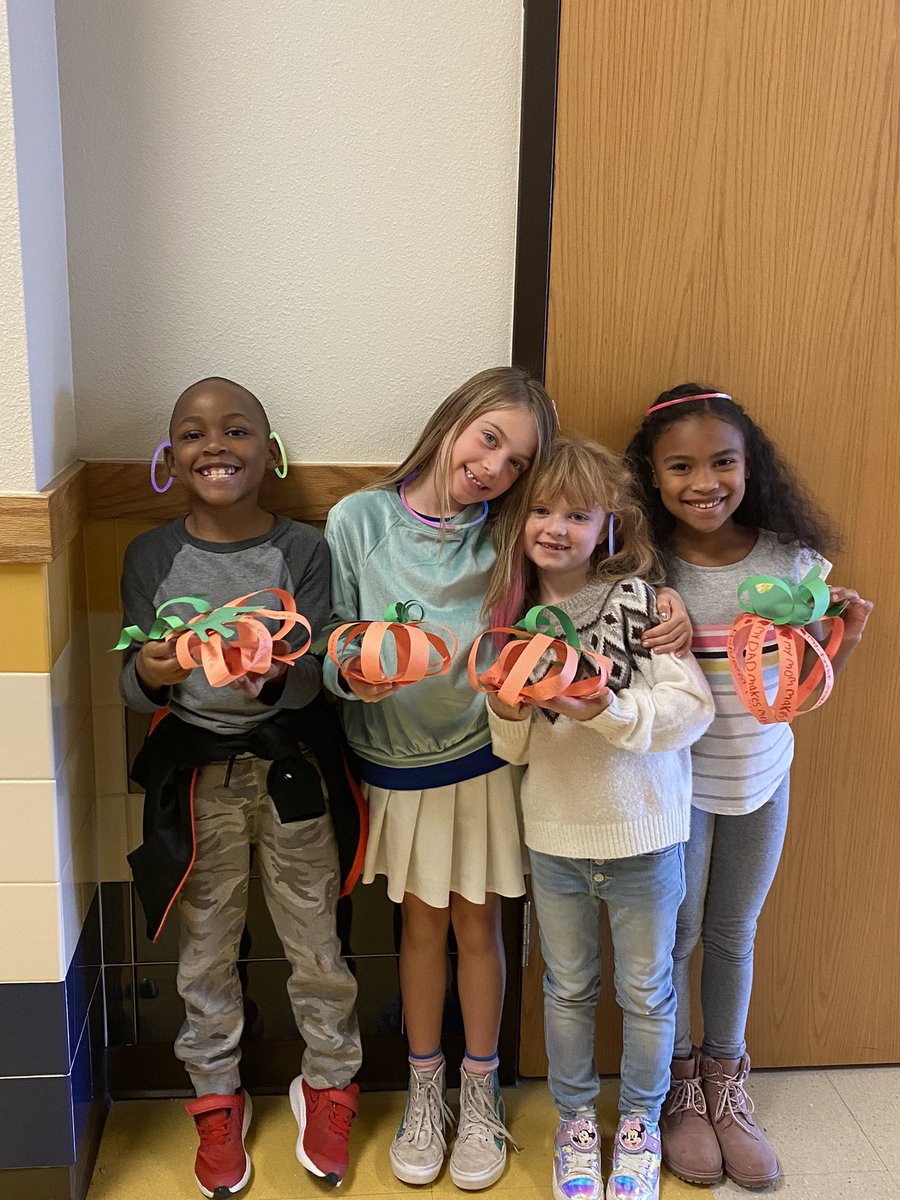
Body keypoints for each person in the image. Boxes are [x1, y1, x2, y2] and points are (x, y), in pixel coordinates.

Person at [119, 377, 363, 1198]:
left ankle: (328, 1085)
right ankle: (214, 1099)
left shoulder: (303, 549)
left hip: (292, 775)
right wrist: (152, 671)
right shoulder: (149, 556)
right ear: (170, 457)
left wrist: (275, 671)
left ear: (271, 453)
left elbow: (317, 670)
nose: (214, 444)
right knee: (205, 952)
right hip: (197, 787)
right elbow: (133, 679)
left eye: (236, 430)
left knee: (316, 944)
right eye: (192, 433)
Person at [625, 384, 873, 1190]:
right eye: (681, 467)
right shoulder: (643, 568)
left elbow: (800, 682)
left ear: (749, 465)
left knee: (734, 932)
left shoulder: (790, 561)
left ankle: (728, 1085)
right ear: (652, 477)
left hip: (762, 780)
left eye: (722, 461)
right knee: (680, 933)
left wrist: (846, 636)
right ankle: (677, 1090)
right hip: (675, 790)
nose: (705, 482)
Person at [484, 436, 714, 1200]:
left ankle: (642, 1125)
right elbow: (511, 749)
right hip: (553, 839)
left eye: (575, 514)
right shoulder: (515, 620)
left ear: (607, 525)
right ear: (519, 520)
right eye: (540, 510)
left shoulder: (645, 607)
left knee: (648, 993)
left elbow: (690, 710)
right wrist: (506, 705)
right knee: (567, 988)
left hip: (645, 836)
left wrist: (609, 707)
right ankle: (577, 1124)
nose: (554, 527)